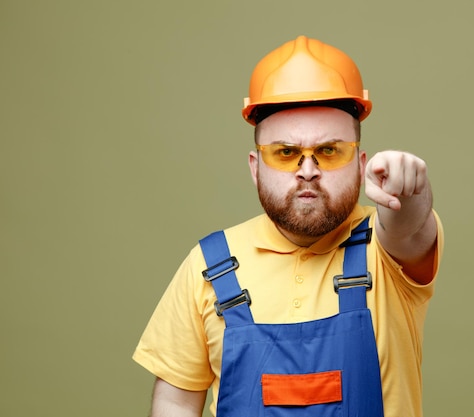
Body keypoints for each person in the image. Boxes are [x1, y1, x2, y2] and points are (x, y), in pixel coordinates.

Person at [133, 35, 444, 417]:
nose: (308, 171)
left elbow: (409, 227)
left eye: (329, 151)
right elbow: (176, 401)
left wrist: (409, 189)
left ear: (362, 165)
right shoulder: (207, 267)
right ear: (255, 166)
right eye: (286, 153)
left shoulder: (385, 252)